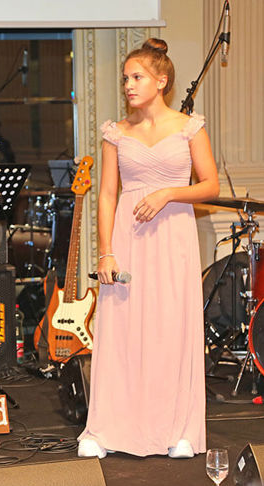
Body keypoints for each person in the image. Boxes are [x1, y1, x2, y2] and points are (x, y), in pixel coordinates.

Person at [77, 38, 219, 459]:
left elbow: (210, 185)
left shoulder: (190, 128)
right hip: (129, 237)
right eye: (125, 78)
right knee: (122, 329)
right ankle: (106, 429)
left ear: (162, 81)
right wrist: (105, 251)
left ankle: (178, 430)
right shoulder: (117, 133)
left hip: (174, 237)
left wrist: (168, 193)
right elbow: (107, 194)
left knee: (171, 329)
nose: (128, 85)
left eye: (136, 77)